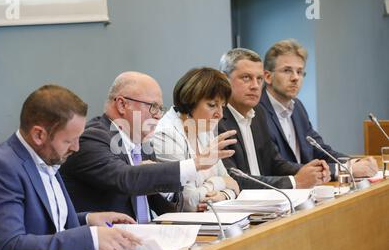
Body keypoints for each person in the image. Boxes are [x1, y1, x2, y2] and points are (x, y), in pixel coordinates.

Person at [0, 85, 141, 250]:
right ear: (39, 135)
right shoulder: (0, 168)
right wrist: (91, 238)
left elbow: (46, 224)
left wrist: (89, 220)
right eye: (69, 140)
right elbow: (10, 248)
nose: (76, 148)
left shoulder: (47, 158)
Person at [60, 72, 236, 221]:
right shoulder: (93, 138)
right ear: (122, 104)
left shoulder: (143, 144)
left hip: (143, 242)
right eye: (153, 107)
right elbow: (125, 179)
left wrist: (176, 196)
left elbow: (168, 207)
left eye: (160, 108)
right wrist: (197, 163)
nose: (159, 116)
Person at [260, 39, 378, 178]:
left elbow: (320, 149)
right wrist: (346, 169)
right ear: (267, 76)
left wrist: (353, 162)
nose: (295, 78)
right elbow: (279, 166)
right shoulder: (257, 113)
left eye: (300, 71)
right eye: (287, 70)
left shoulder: (297, 107)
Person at [218, 48, 330, 189]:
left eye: (259, 79)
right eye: (246, 77)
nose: (255, 86)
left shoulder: (258, 112)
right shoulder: (216, 120)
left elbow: (274, 162)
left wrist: (308, 171)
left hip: (268, 201)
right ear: (223, 79)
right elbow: (233, 178)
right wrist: (295, 182)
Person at [153, 67, 240, 211]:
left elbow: (234, 185)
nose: (219, 114)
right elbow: (188, 202)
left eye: (222, 106)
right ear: (190, 101)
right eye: (212, 105)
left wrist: (224, 195)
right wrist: (218, 183)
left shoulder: (203, 129)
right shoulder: (165, 135)